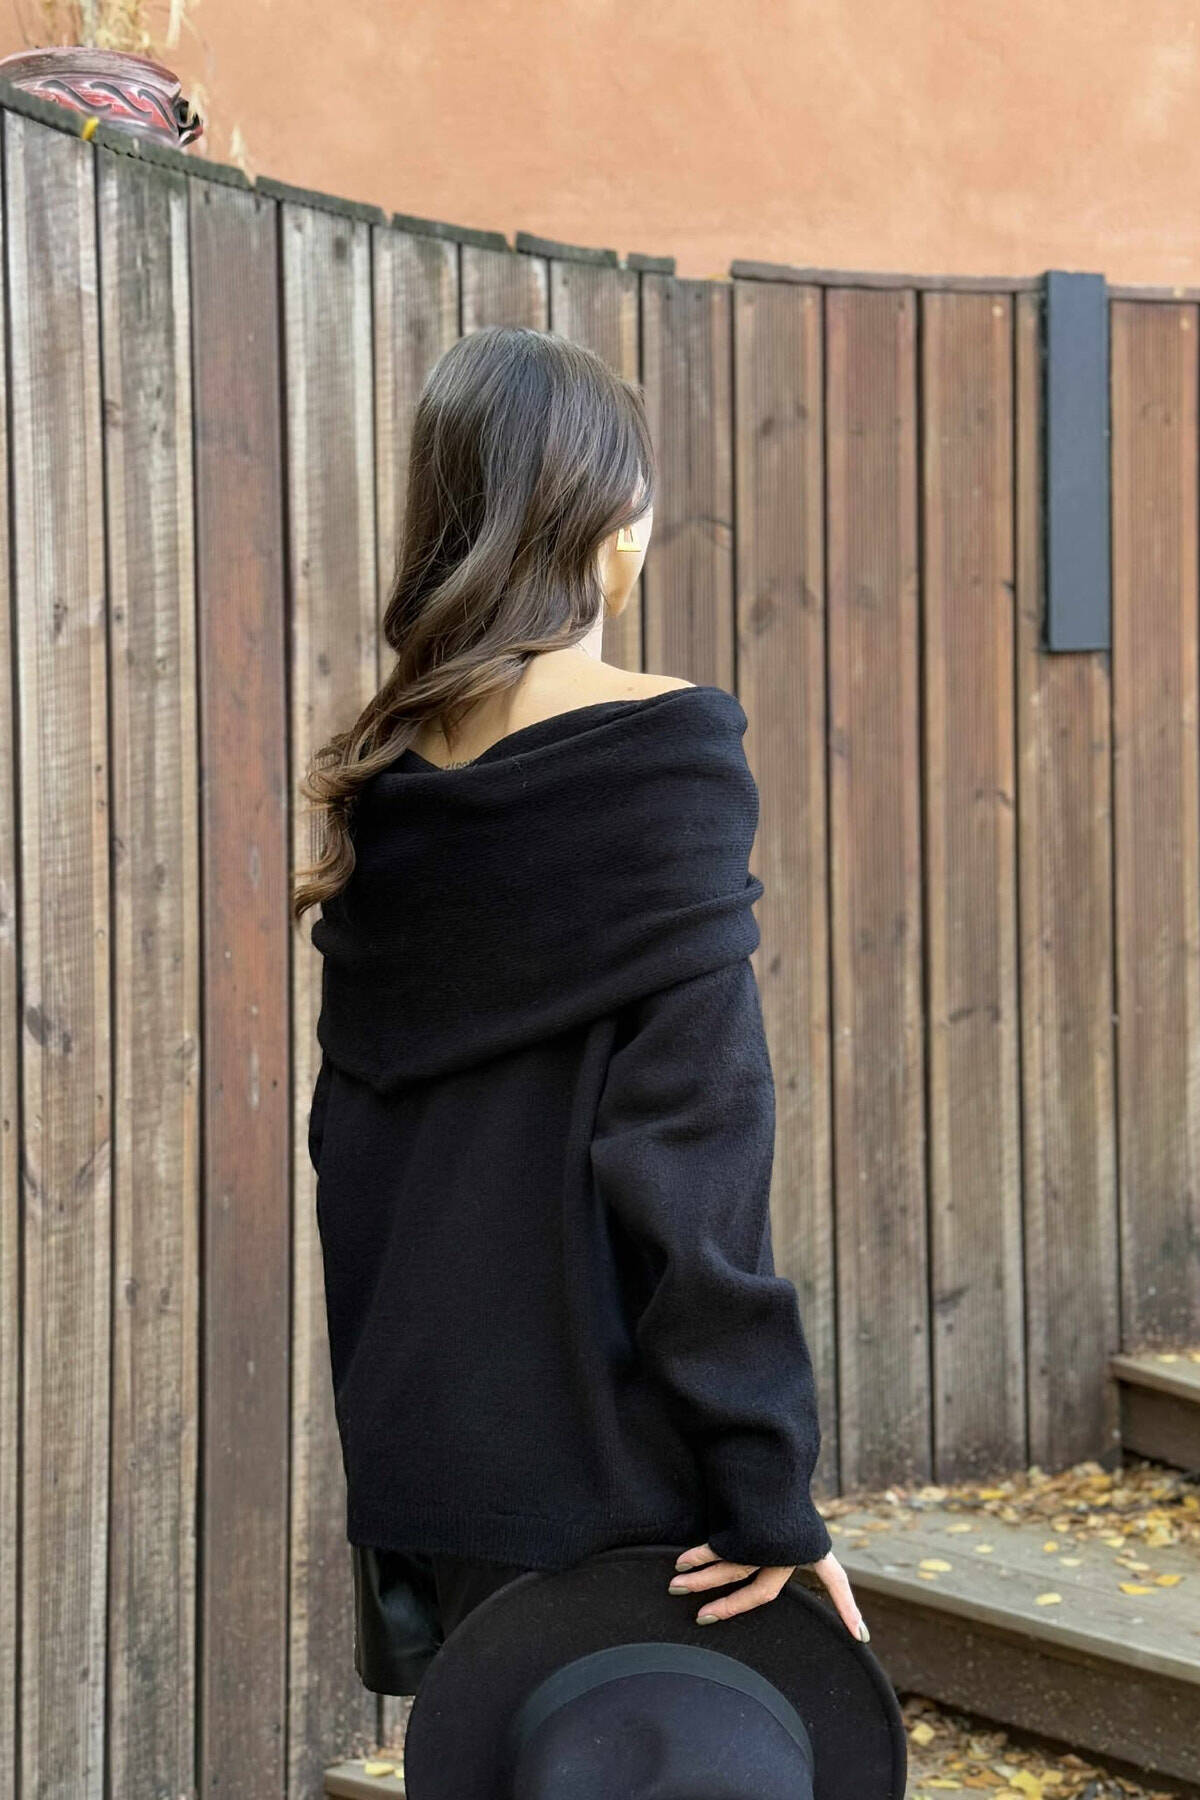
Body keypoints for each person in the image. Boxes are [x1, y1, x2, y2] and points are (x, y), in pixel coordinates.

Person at [291, 323, 866, 1699]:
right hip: (630, 1503)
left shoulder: (388, 788)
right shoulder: (663, 756)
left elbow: (350, 1160)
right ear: (614, 528)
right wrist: (765, 1485)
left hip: (433, 1483)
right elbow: (693, 1157)